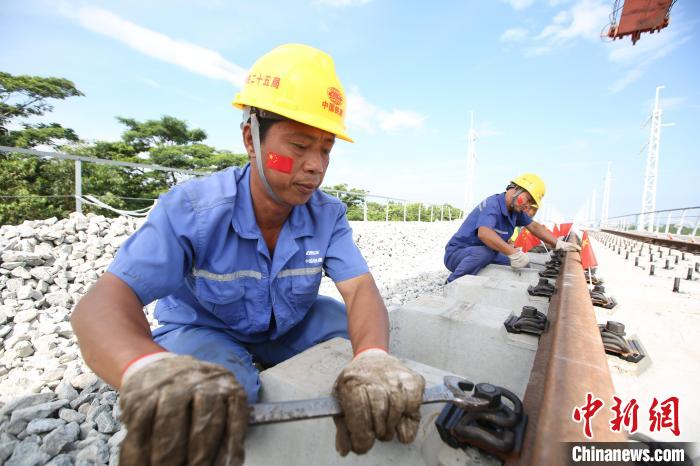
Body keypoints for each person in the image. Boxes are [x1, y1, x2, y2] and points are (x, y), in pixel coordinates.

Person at [71, 44, 425, 466]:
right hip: (207, 328)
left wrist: (371, 359)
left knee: (361, 337)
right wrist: (145, 370)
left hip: (288, 325)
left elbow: (360, 289)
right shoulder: (193, 209)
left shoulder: (327, 214)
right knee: (223, 395)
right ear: (250, 140)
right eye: (298, 145)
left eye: (326, 149)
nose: (315, 165)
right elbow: (104, 302)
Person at [444, 174, 580, 282]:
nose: (528, 206)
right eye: (528, 199)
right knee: (486, 253)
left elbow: (534, 226)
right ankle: (451, 284)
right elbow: (484, 234)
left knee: (521, 264)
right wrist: (513, 253)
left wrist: (557, 243)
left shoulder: (515, 211)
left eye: (532, 203)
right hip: (457, 254)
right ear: (516, 189)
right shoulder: (492, 205)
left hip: (486, 252)